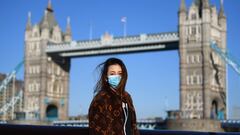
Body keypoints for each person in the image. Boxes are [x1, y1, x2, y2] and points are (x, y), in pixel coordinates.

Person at [88, 58, 140, 135]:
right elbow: (96, 130)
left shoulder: (127, 97)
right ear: (106, 77)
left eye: (120, 73)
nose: (117, 76)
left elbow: (133, 126)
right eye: (112, 74)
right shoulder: (100, 99)